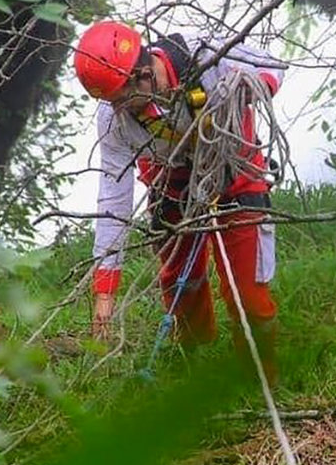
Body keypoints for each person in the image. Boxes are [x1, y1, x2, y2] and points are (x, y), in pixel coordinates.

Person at [72, 21, 285, 383]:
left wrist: (247, 91)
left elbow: (271, 65)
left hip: (235, 168)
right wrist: (105, 292)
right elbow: (113, 196)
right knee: (180, 285)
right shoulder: (113, 118)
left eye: (120, 99)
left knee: (248, 290)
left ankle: (260, 374)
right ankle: (191, 369)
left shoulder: (203, 53)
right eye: (110, 102)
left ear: (142, 75)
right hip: (170, 185)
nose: (117, 109)